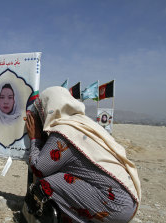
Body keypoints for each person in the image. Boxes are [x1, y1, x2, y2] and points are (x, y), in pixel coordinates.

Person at [25, 86, 141, 222]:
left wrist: (35, 137)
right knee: (62, 177)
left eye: (39, 111)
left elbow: (38, 168)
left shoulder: (64, 132)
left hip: (114, 207)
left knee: (45, 186)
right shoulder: (82, 124)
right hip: (129, 202)